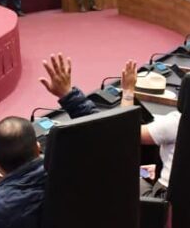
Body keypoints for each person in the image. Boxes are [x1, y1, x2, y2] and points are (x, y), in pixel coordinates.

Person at [40, 55, 180, 195]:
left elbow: (122, 133)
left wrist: (68, 95)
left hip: (163, 204)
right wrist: (163, 168)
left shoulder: (177, 121)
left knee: (110, 167)